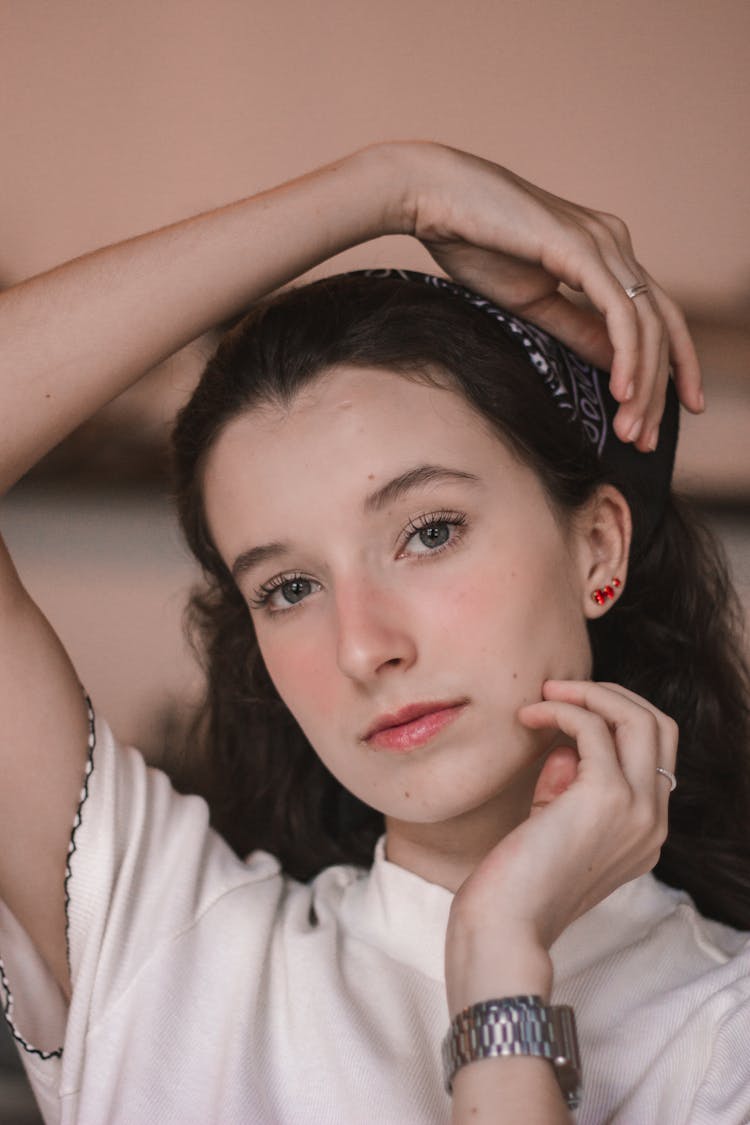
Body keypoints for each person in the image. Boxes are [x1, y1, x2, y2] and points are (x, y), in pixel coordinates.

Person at [0, 140, 747, 1124]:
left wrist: (500, 969)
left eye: (429, 532)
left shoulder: (723, 1033)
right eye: (289, 587)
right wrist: (395, 185)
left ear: (598, 548)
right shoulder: (165, 955)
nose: (364, 647)